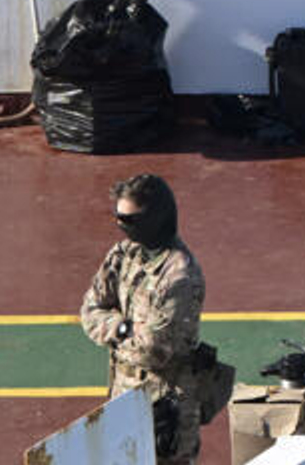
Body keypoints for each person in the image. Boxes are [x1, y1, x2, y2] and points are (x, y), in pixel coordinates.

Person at [81, 174, 207, 465]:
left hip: (164, 409)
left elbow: (153, 350)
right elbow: (89, 310)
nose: (121, 225)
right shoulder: (124, 255)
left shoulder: (179, 275)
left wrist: (113, 328)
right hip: (123, 396)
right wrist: (125, 328)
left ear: (155, 218)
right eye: (118, 217)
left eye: (129, 219)